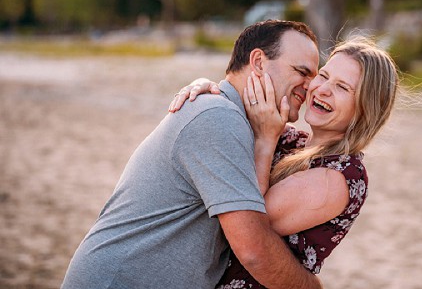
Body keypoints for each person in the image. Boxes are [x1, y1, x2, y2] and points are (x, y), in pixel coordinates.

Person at [61, 20, 323, 289]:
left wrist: (266, 141)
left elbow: (247, 215)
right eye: (302, 72)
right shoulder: (218, 118)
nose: (310, 86)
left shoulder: (242, 123)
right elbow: (253, 250)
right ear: (258, 62)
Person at [170, 36, 399, 288]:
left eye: (342, 88)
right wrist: (208, 89)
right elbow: (238, 98)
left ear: (366, 108)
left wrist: (266, 142)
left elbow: (245, 227)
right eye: (323, 76)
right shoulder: (291, 139)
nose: (322, 89)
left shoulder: (340, 176)